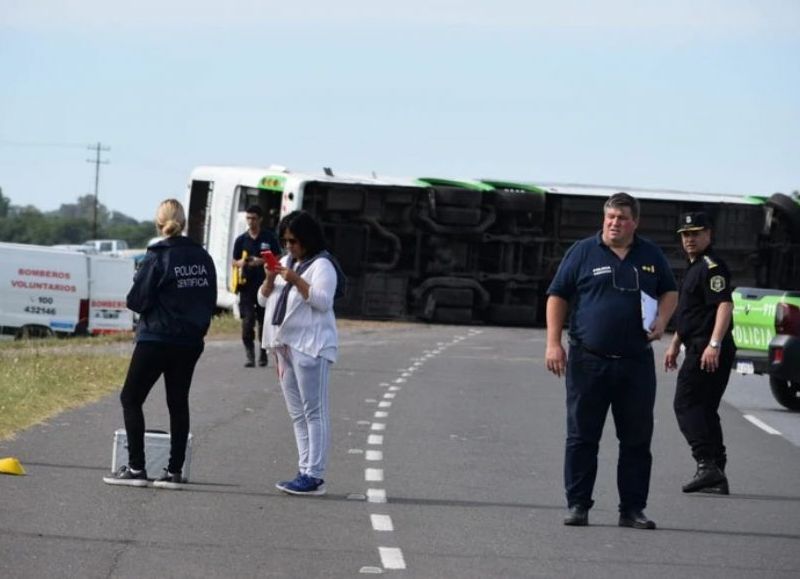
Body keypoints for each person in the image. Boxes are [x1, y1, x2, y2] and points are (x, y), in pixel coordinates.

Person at [545, 192, 678, 529]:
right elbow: (558, 295)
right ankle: (578, 505)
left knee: (636, 439)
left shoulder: (650, 254)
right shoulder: (583, 252)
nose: (614, 223)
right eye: (610, 217)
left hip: (635, 362)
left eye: (621, 218)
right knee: (582, 436)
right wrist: (553, 343)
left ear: (635, 221)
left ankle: (632, 509)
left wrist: (662, 320)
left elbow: (670, 291)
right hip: (588, 361)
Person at [103, 199, 217, 489]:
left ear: (159, 224)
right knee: (178, 403)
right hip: (189, 341)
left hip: (156, 338)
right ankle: (174, 472)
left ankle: (137, 468)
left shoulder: (156, 255)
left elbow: (136, 301)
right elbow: (209, 300)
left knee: (131, 398)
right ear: (184, 224)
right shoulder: (203, 258)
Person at [258, 210, 342, 496]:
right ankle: (304, 468)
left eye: (294, 241)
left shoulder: (322, 265)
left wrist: (296, 279)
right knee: (297, 414)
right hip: (283, 344)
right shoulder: (285, 262)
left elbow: (322, 301)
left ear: (307, 239)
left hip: (311, 346)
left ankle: (315, 474)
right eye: (285, 241)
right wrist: (271, 278)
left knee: (314, 411)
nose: (289, 247)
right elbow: (262, 298)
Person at [665, 212, 735, 494]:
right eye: (685, 234)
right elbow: (691, 312)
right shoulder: (693, 266)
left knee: (685, 403)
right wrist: (674, 344)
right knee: (705, 408)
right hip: (698, 344)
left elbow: (724, 306)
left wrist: (714, 344)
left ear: (709, 234)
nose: (689, 239)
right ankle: (717, 470)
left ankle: (706, 465)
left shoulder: (712, 266)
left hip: (708, 347)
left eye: (695, 233)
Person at [233, 205, 281, 368]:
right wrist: (244, 262)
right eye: (248, 218)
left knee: (263, 322)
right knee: (247, 322)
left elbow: (278, 256)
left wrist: (262, 261)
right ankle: (249, 355)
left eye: (253, 218)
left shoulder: (269, 237)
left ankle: (263, 354)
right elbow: (234, 261)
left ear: (260, 219)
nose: (250, 221)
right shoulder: (241, 240)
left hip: (265, 285)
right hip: (246, 286)